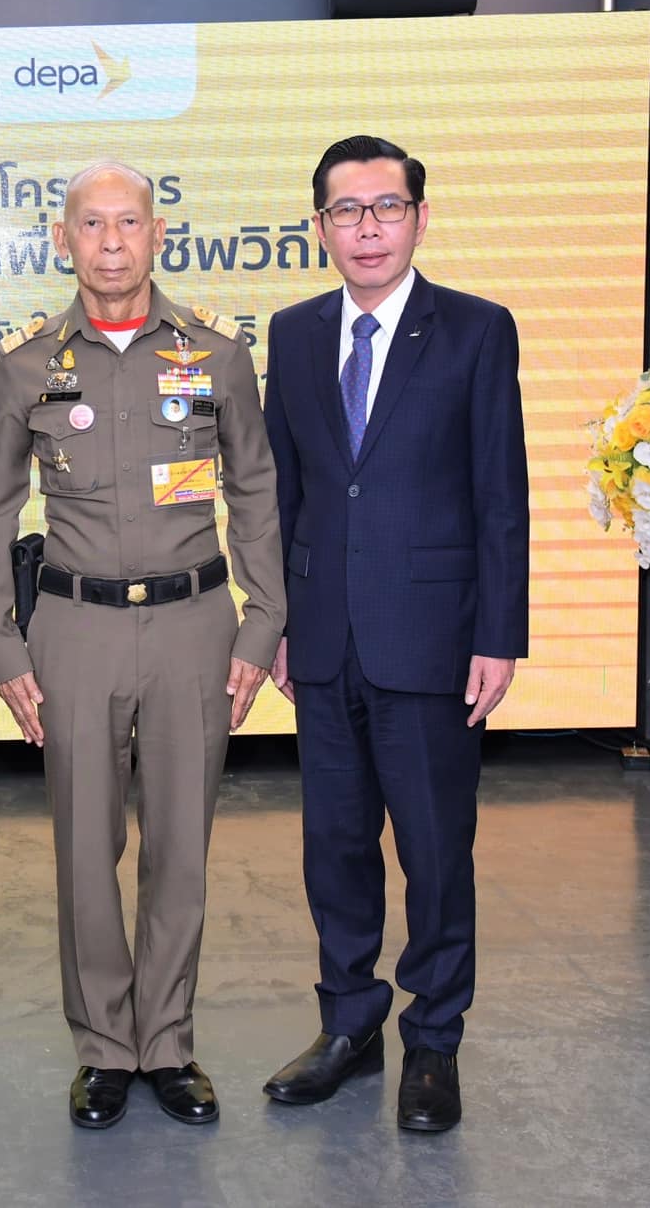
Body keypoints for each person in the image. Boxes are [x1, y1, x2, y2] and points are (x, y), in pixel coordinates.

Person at [0, 160, 285, 1129]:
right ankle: (105, 1047)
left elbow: (254, 489)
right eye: (91, 225)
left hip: (195, 626)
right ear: (61, 239)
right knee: (84, 846)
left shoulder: (217, 355)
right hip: (74, 630)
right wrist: (2, 644)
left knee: (181, 847)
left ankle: (169, 1042)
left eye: (129, 223)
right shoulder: (26, 364)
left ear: (158, 233)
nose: (111, 243)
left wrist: (262, 622)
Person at [260, 135, 529, 1134]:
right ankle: (348, 1026)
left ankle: (433, 1041)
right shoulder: (292, 334)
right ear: (319, 225)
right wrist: (275, 622)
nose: (366, 227)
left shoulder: (474, 329)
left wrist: (498, 635)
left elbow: (500, 494)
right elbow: (282, 494)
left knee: (434, 852)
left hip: (432, 638)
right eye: (346, 210)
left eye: (385, 207)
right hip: (322, 638)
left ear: (419, 218)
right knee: (333, 847)